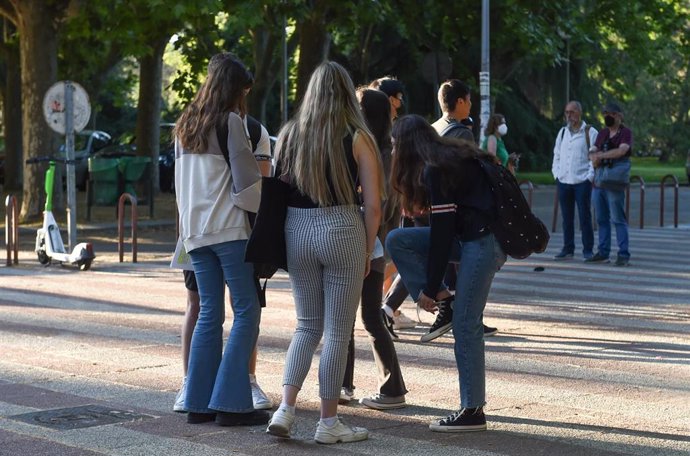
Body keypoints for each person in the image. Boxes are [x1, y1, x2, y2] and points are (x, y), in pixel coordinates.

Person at [265, 61, 384, 444]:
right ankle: (328, 422)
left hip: (296, 230)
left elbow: (276, 190)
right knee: (336, 331)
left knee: (306, 325)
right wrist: (367, 250)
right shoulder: (357, 135)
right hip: (342, 228)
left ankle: (285, 408)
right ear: (348, 93)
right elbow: (375, 205)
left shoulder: (289, 134)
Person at [386, 114, 506, 432]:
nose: (393, 151)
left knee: (466, 326)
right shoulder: (446, 157)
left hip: (484, 242)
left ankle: (472, 410)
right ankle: (446, 301)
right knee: (398, 240)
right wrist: (436, 289)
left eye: (396, 144)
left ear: (408, 146)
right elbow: (443, 231)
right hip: (471, 237)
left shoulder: (437, 168)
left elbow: (440, 235)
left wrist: (427, 288)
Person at [174, 53, 269, 426]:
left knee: (209, 312)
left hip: (195, 232)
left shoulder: (185, 124)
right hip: (229, 229)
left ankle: (198, 403)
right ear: (234, 88)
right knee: (247, 310)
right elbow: (248, 183)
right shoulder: (230, 121)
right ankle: (232, 403)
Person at [340, 88, 408, 411]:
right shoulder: (387, 150)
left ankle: (344, 384)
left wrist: (367, 249)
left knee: (352, 316)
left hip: (367, 241)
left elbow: (375, 205)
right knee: (366, 316)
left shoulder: (373, 153)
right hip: (376, 243)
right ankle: (387, 386)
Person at [587, 102, 633, 266]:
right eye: (605, 113)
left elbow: (622, 151)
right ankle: (603, 252)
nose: (608, 116)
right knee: (601, 219)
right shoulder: (603, 133)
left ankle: (623, 254)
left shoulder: (625, 133)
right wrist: (595, 156)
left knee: (618, 218)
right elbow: (592, 152)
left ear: (619, 116)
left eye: (611, 113)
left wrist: (602, 155)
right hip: (599, 182)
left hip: (614, 182)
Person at [552, 101, 598, 261]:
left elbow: (595, 157)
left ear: (579, 112)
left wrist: (589, 177)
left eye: (571, 112)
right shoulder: (563, 132)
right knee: (567, 217)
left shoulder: (590, 132)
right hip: (564, 181)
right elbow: (556, 154)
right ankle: (568, 248)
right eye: (566, 112)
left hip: (581, 182)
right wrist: (556, 174)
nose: (568, 115)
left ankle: (588, 250)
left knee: (584, 216)